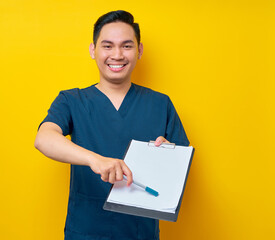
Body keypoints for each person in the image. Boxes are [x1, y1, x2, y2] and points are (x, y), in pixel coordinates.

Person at [35, 10, 189, 240]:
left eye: (127, 46)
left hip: (140, 233)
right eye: (107, 46)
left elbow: (180, 168)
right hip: (86, 231)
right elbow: (44, 138)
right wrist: (95, 160)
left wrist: (167, 156)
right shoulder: (72, 100)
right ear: (92, 50)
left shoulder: (160, 104)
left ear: (139, 51)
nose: (117, 55)